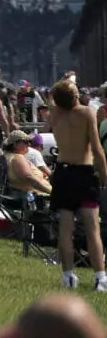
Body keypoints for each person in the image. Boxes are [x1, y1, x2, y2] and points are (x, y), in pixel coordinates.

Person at [45, 79, 107, 291]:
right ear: (74, 96)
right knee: (92, 227)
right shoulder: (87, 113)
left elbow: (52, 96)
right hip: (83, 172)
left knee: (65, 229)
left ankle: (68, 276)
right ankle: (100, 277)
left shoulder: (55, 113)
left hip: (63, 173)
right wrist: (105, 176)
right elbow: (97, 148)